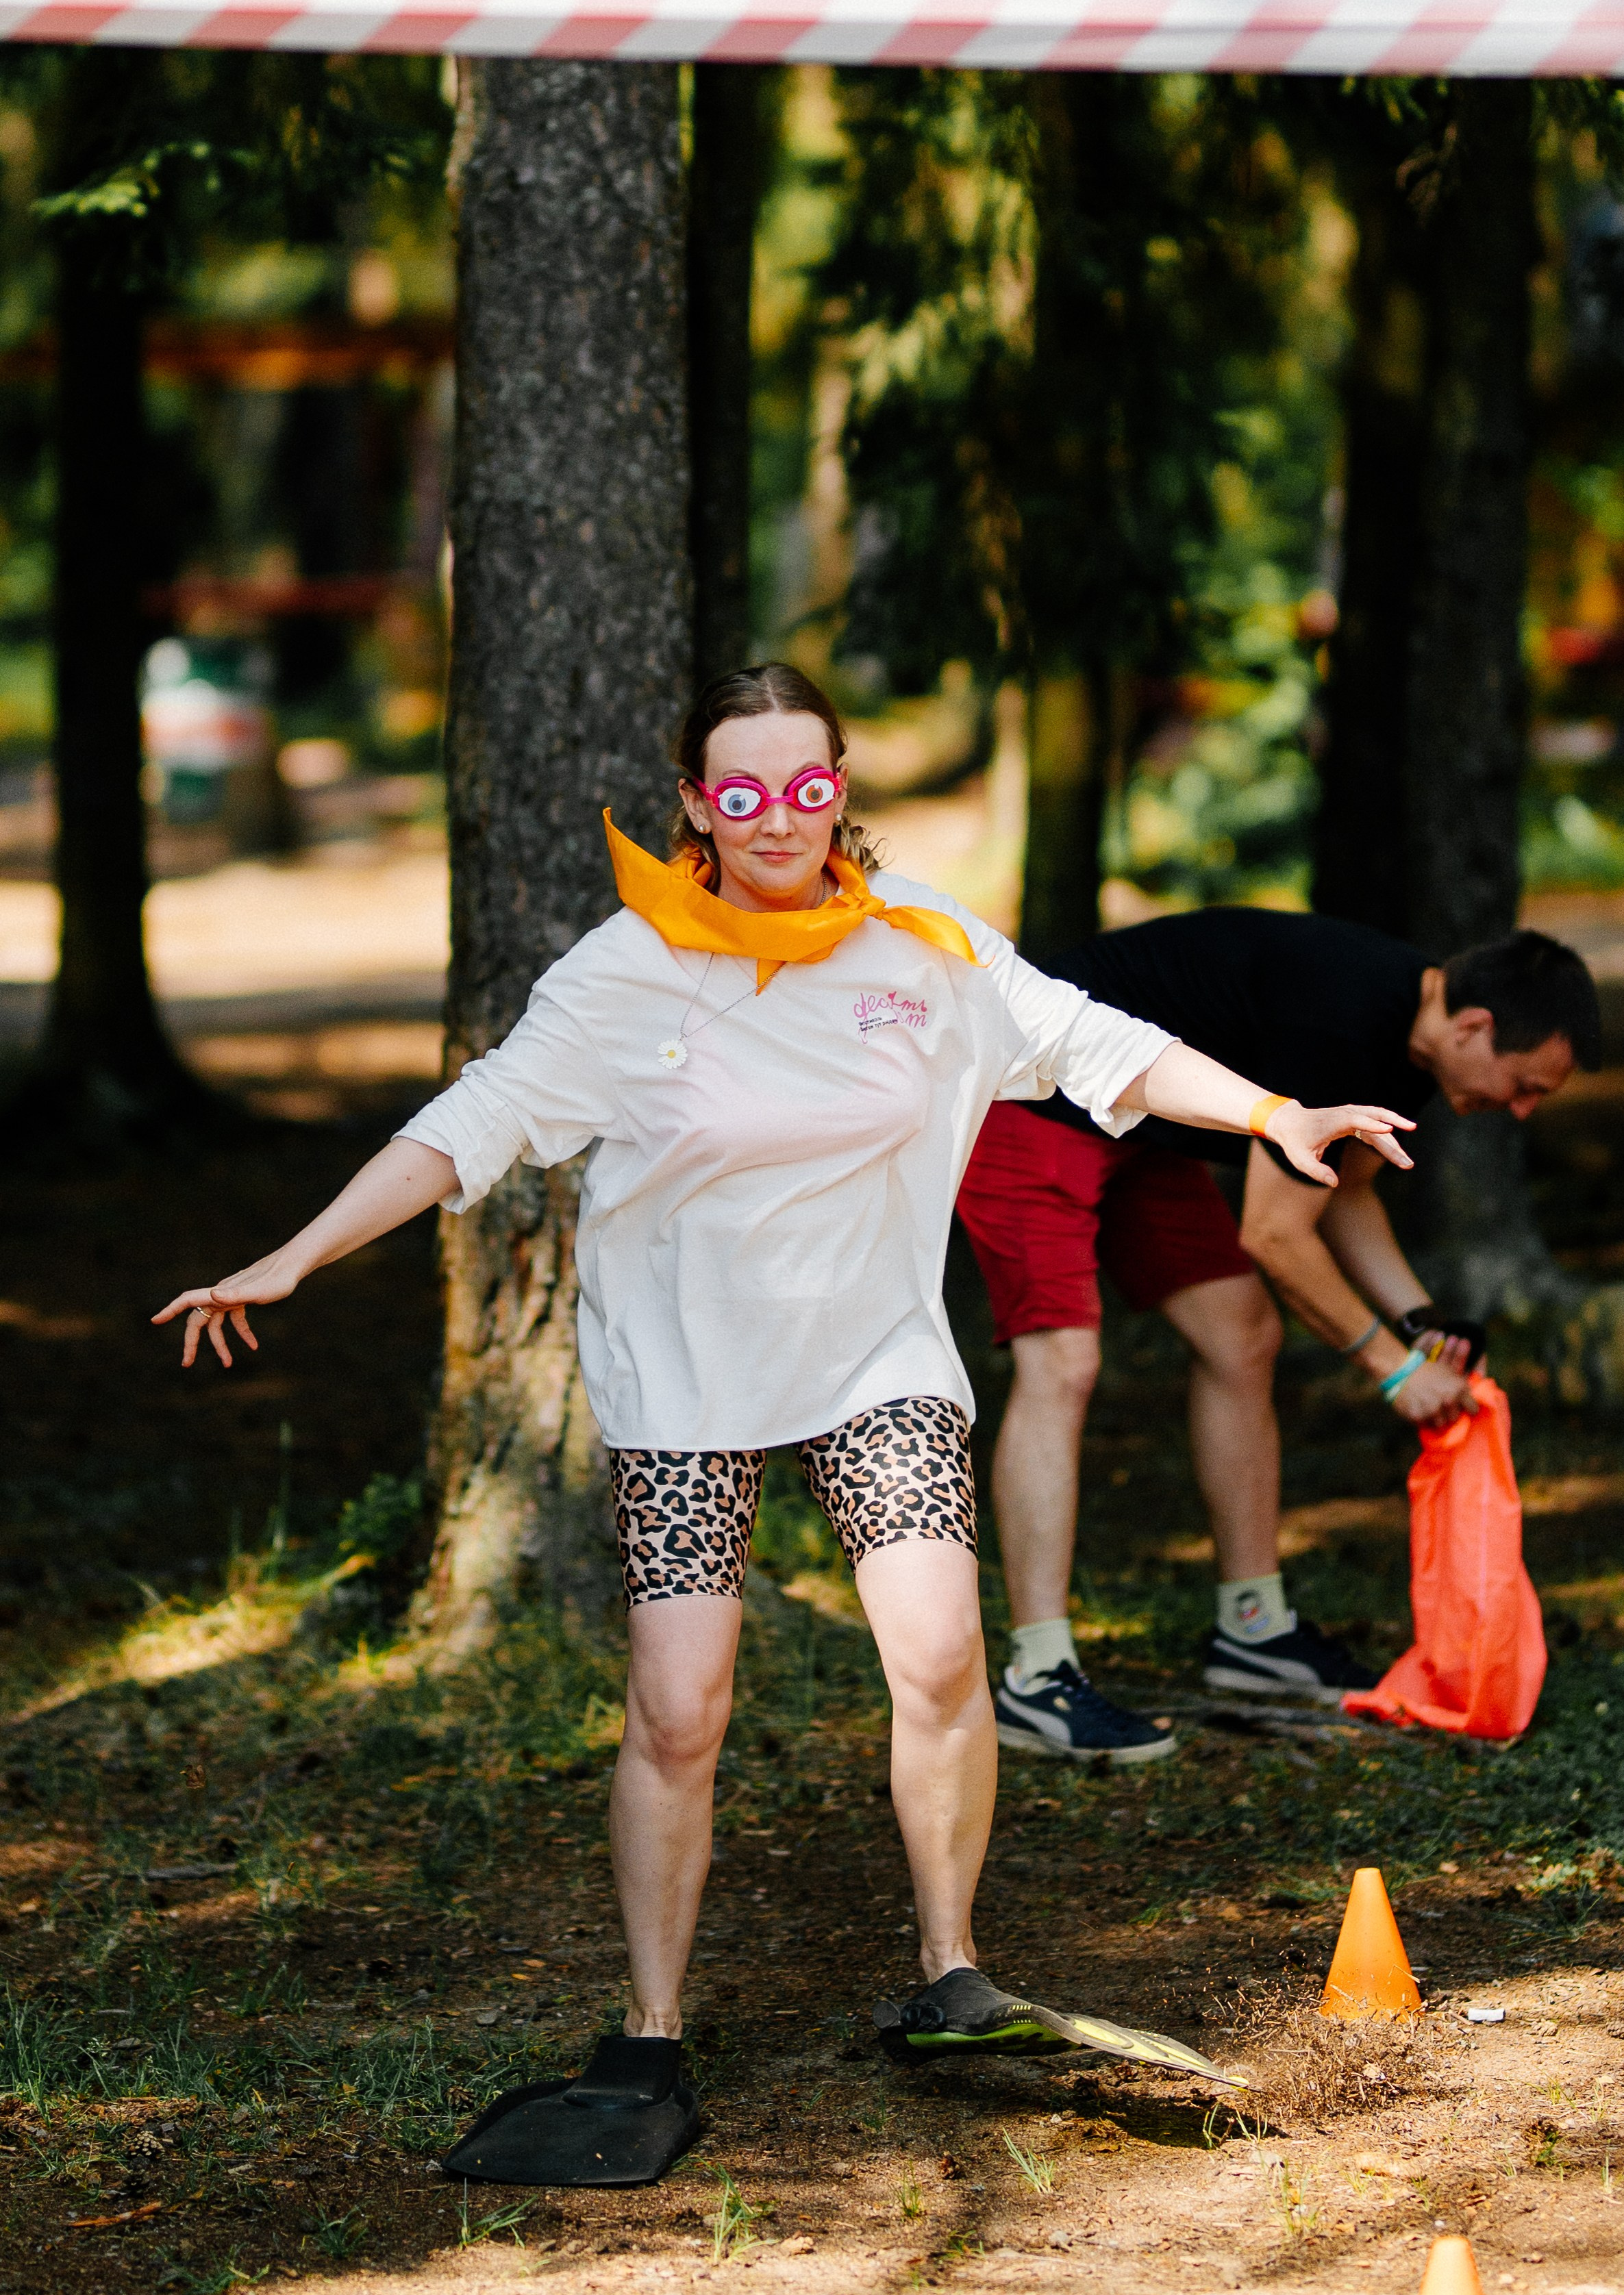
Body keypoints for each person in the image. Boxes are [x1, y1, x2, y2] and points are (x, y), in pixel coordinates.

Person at [153, 667, 1414, 2181]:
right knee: (681, 1705)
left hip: (873, 1358)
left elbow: (1101, 1043)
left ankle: (952, 1966)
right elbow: (468, 1125)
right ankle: (650, 2029)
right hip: (685, 1375)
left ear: (840, 787)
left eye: (804, 785)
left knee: (944, 1653)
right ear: (696, 802)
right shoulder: (627, 973)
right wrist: (294, 1251)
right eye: (739, 791)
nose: (775, 818)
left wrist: (1277, 1115)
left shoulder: (926, 946)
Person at [955, 910, 1600, 1762]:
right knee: (1064, 1362)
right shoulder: (1344, 1013)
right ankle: (1037, 1675)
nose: (1518, 1111)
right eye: (1524, 1085)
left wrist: (1424, 1323)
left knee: (1243, 1336)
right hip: (1032, 1096)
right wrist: (1389, 1364)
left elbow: (1346, 1192)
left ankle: (1251, 1629)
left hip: (1140, 1124)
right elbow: (1275, 1232)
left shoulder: (1415, 1040)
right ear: (1474, 1026)